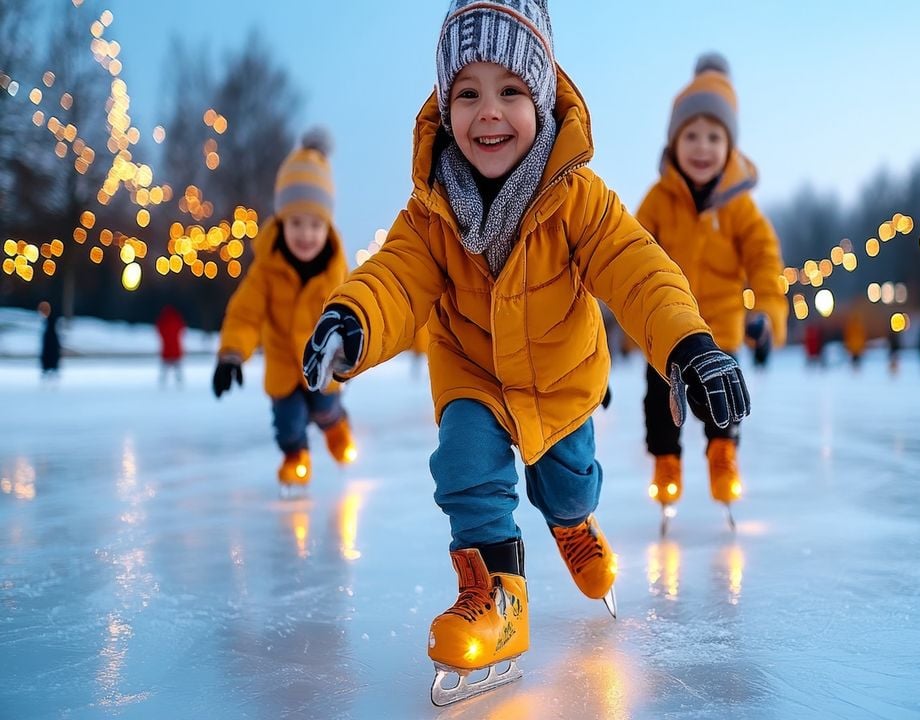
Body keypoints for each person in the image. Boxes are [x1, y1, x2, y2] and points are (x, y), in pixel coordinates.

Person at [301, 0, 749, 705]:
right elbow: (394, 277)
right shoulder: (430, 211)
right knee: (465, 467)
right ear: (445, 108)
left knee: (567, 484)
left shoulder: (577, 198)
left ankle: (572, 524)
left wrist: (692, 347)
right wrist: (350, 320)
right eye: (468, 93)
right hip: (473, 374)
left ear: (541, 98)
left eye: (511, 91)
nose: (489, 113)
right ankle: (496, 599)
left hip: (563, 381)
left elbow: (640, 271)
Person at [635, 53, 787, 525]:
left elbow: (764, 260)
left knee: (719, 401)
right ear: (675, 142)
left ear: (731, 146)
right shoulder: (659, 201)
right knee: (658, 404)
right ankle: (666, 462)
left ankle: (723, 452)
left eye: (714, 137)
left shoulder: (740, 209)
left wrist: (765, 310)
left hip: (720, 331)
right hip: (664, 330)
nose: (702, 148)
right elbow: (629, 251)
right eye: (692, 136)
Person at [213, 128, 356, 493]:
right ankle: (296, 458)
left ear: (328, 226)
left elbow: (356, 308)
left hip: (323, 363)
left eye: (314, 225)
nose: (305, 234)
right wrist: (231, 354)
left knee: (325, 408)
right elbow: (244, 314)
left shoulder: (336, 271)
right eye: (296, 223)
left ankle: (337, 426)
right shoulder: (266, 269)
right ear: (280, 222)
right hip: (282, 366)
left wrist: (354, 350)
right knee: (287, 424)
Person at [156, 304, 186, 387]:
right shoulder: (177, 321)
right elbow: (182, 329)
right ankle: (179, 382)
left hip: (166, 350)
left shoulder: (163, 322)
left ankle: (162, 382)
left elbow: (158, 330)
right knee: (177, 368)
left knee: (165, 368)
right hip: (176, 350)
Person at [39, 301, 61, 381]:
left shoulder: (49, 321)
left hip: (50, 338)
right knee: (51, 354)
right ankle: (51, 368)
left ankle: (48, 368)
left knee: (49, 354)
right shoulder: (52, 320)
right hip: (51, 338)